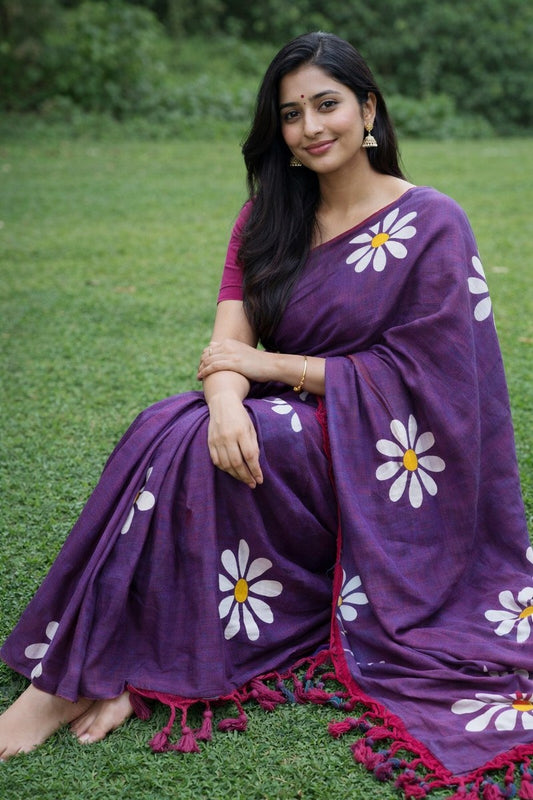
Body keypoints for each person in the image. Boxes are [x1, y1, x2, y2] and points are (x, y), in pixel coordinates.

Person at [1, 31, 532, 797]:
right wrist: (225, 405)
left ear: (368, 109)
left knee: (198, 438)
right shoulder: (266, 221)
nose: (312, 127)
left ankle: (76, 678)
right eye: (291, 114)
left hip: (377, 450)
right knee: (172, 424)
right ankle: (102, 668)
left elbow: (438, 382)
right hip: (268, 425)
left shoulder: (431, 222)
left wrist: (269, 371)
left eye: (327, 105)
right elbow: (227, 345)